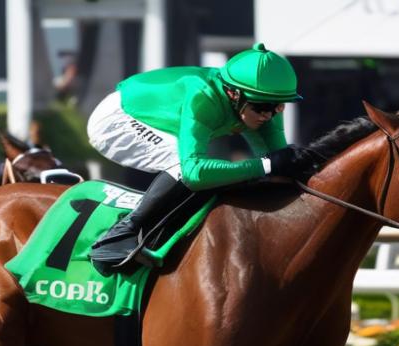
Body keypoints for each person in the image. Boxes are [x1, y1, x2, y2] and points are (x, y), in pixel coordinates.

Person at [86, 42, 317, 272]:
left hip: (154, 117)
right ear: (233, 93)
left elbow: (280, 165)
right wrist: (264, 165)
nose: (269, 114)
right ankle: (118, 237)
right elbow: (194, 173)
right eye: (261, 107)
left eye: (278, 107)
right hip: (117, 118)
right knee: (183, 165)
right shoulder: (203, 97)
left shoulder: (265, 105)